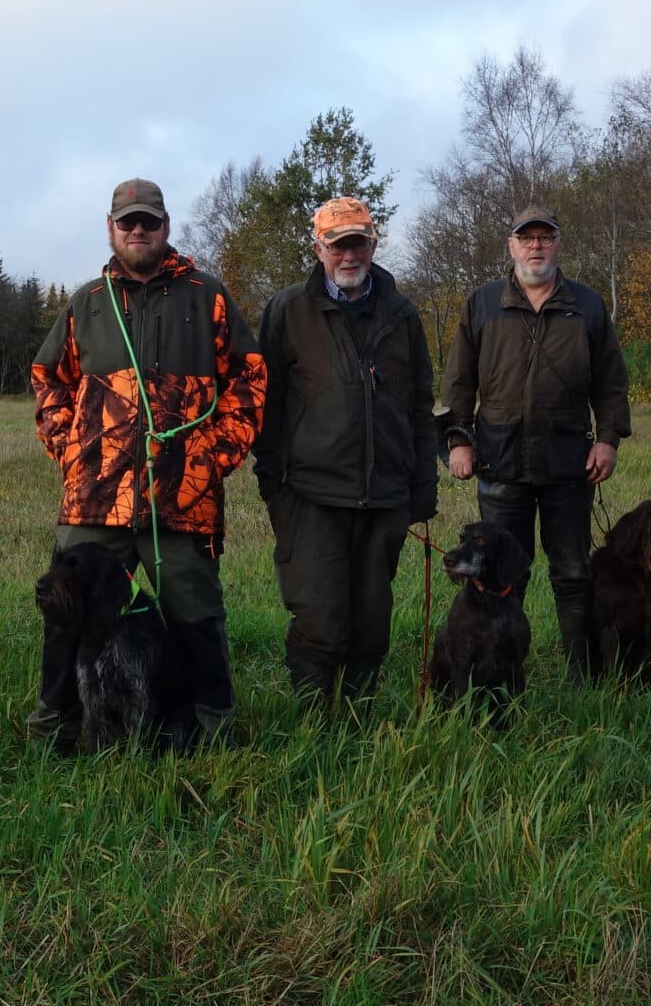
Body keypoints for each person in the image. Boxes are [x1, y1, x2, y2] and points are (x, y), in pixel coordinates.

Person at [27, 178, 266, 747]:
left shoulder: (207, 296)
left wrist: (213, 455)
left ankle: (213, 729)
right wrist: (74, 452)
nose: (138, 231)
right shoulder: (86, 302)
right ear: (110, 229)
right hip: (94, 499)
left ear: (165, 227)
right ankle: (53, 728)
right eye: (127, 222)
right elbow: (47, 382)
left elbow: (250, 378)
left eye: (149, 222)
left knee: (196, 617)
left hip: (183, 497)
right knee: (66, 615)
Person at [435, 205, 630, 681]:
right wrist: (459, 441)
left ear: (558, 245)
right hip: (499, 461)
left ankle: (582, 675)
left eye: (545, 238)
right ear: (512, 246)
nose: (536, 247)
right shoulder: (482, 304)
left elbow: (610, 381)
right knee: (502, 575)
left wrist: (607, 440)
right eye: (527, 239)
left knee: (572, 572)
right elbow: (458, 382)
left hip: (569, 461)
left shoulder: (585, 304)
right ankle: (499, 669)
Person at [253, 197, 436, 701]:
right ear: (318, 249)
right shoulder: (287, 311)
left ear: (374, 244)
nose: (348, 255)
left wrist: (423, 488)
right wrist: (275, 487)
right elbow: (262, 406)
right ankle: (313, 723)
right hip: (309, 495)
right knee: (319, 616)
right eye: (337, 245)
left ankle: (357, 720)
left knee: (371, 619)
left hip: (385, 498)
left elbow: (421, 405)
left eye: (357, 243)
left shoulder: (402, 314)